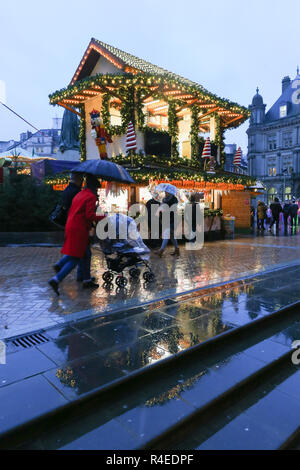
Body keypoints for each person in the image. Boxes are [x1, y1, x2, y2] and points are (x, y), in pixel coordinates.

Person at [48, 175, 105, 295]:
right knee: (76, 257)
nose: (97, 191)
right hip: (80, 229)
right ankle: (56, 279)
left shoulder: (81, 194)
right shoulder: (90, 196)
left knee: (82, 254)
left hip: (71, 226)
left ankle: (86, 279)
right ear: (94, 188)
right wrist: (103, 216)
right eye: (97, 188)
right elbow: (89, 215)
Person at [157, 189, 179, 257]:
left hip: (172, 219)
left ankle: (161, 250)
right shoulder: (164, 199)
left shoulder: (174, 199)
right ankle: (177, 249)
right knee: (172, 236)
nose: (165, 193)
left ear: (170, 192)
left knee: (166, 234)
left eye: (167, 192)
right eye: (165, 191)